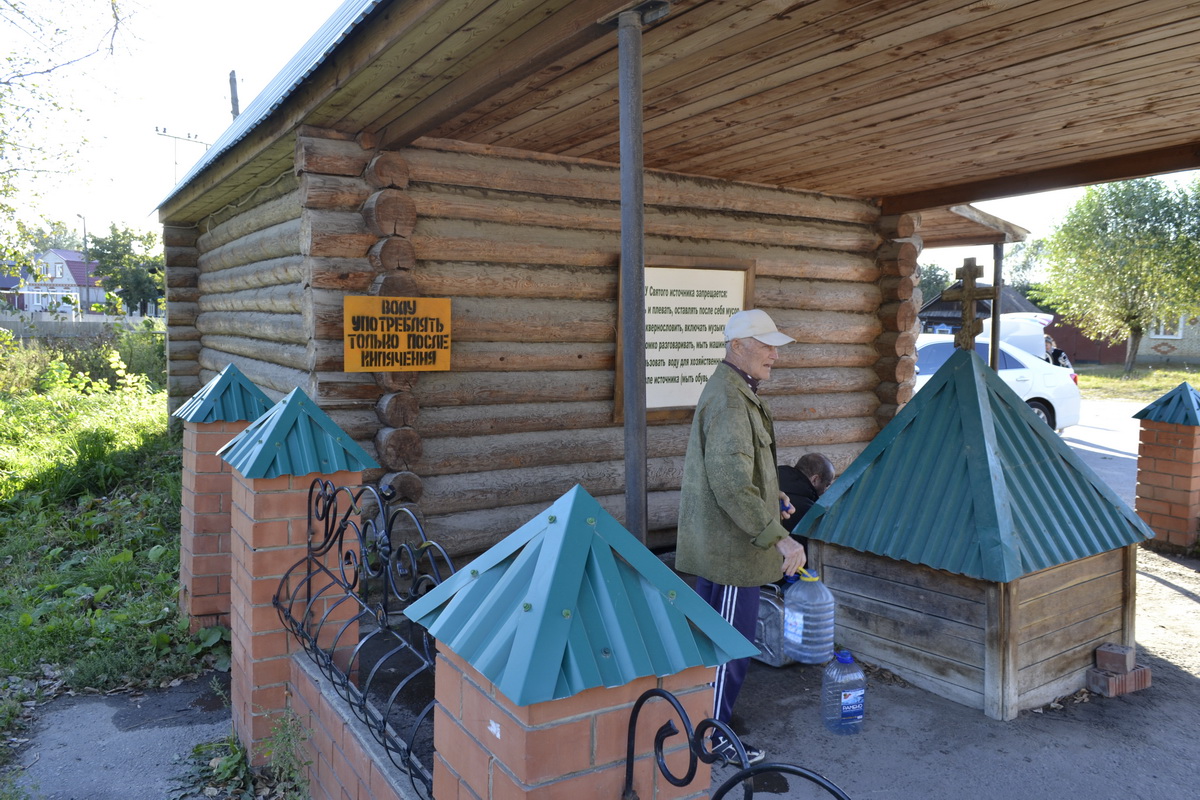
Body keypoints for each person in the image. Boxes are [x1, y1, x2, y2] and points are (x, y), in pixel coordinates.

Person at [676, 308, 806, 768]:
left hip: (727, 545)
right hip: (733, 551)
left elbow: (744, 473)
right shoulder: (732, 400)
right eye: (766, 345)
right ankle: (709, 740)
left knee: (716, 643)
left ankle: (698, 724)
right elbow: (731, 482)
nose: (775, 354)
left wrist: (775, 500)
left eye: (775, 345)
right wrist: (779, 538)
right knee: (727, 648)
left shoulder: (737, 390)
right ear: (737, 347)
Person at [777, 452, 835, 544]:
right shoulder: (809, 511)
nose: (824, 492)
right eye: (826, 485)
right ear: (815, 479)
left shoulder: (772, 481)